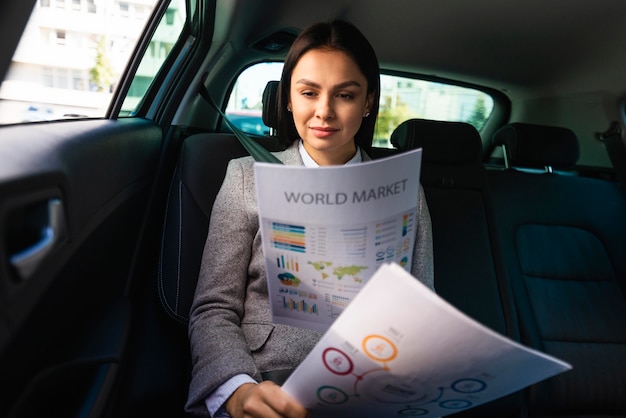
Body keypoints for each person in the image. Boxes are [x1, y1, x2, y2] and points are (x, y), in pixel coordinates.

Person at [186, 19, 434, 418]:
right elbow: (214, 309)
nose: (324, 111)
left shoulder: (407, 192)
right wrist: (238, 388)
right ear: (288, 98)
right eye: (308, 92)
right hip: (268, 380)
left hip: (366, 391)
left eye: (345, 95)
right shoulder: (246, 178)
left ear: (368, 102)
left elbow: (420, 318)